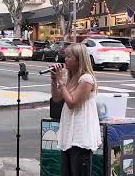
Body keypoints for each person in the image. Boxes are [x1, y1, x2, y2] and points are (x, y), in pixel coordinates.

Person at [50, 43, 102, 176]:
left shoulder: (87, 79)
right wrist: (54, 80)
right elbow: (56, 98)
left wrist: (61, 81)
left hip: (80, 134)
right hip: (69, 133)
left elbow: (72, 103)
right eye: (65, 56)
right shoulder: (69, 77)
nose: (65, 59)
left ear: (79, 59)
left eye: (69, 56)